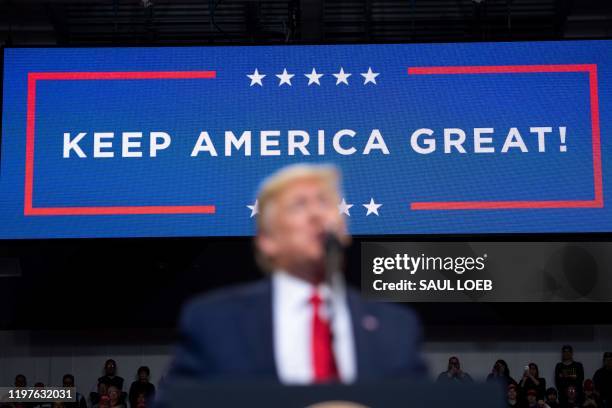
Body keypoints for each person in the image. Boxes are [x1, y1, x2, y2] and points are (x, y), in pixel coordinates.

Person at [165, 164, 426, 384]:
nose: (316, 214)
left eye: (325, 202)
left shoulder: (396, 328)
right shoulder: (215, 323)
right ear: (267, 240)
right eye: (298, 205)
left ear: (344, 227)